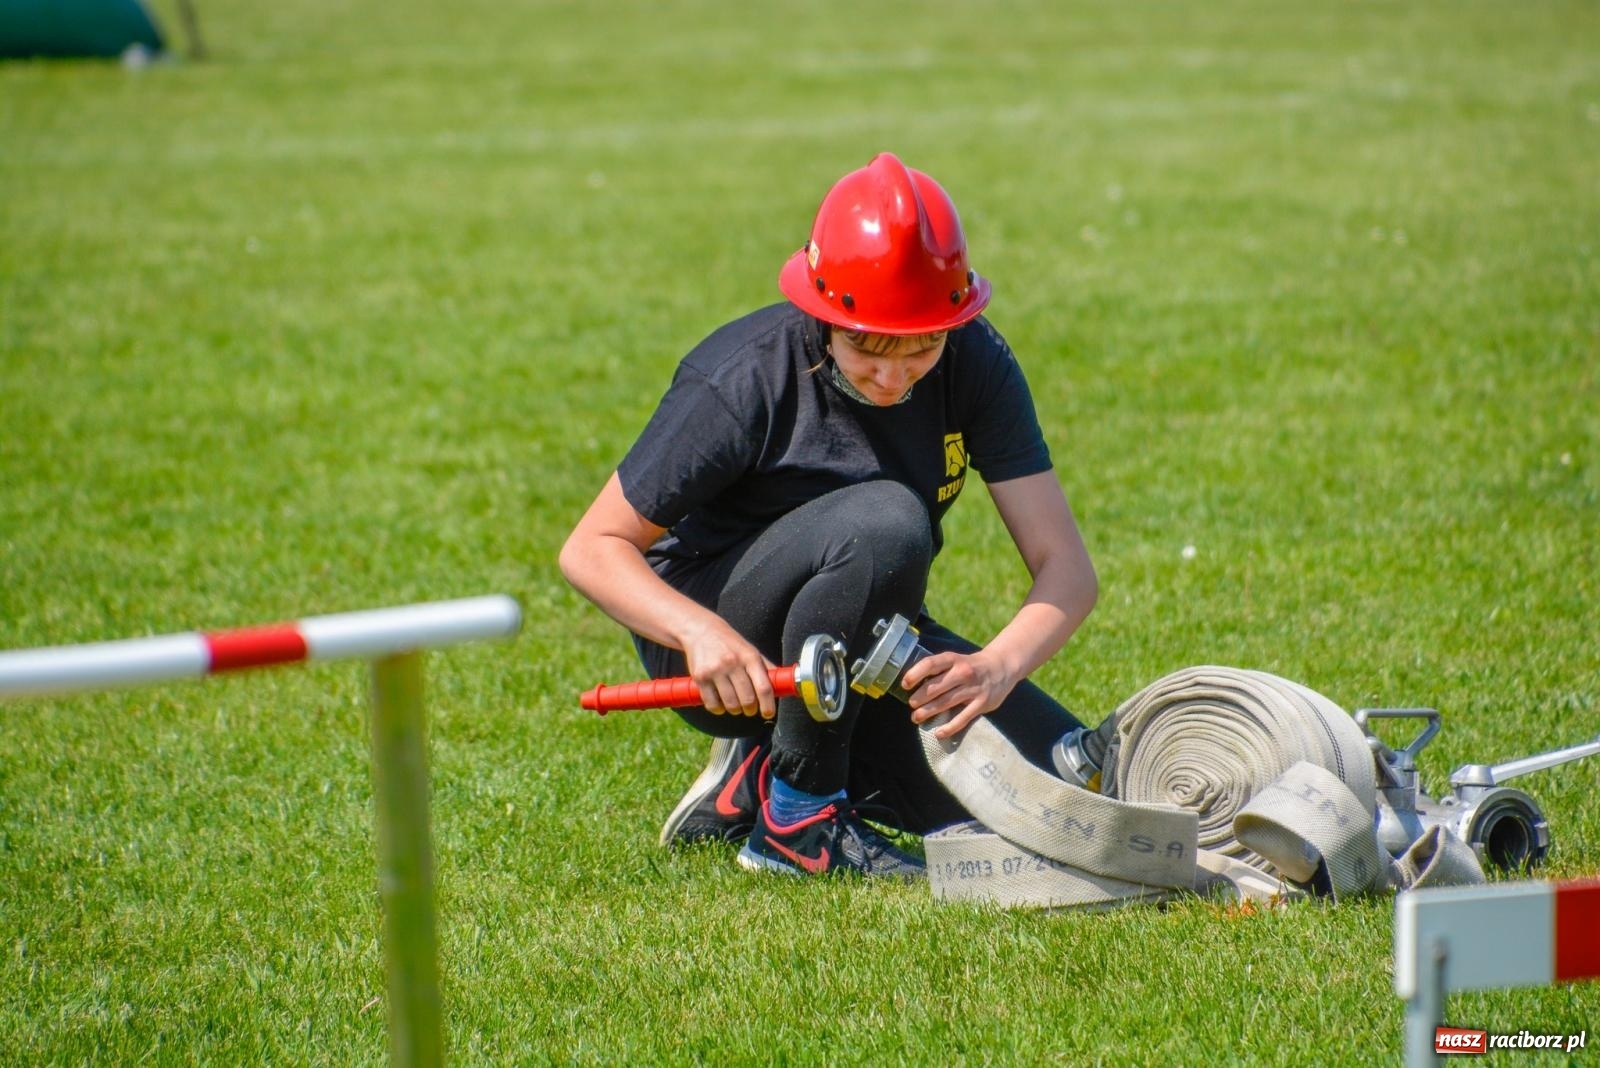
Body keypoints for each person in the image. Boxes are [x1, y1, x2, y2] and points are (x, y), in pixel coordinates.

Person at [559, 152, 1098, 878]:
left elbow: (1066, 569)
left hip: (857, 642)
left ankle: (754, 775)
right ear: (822, 312)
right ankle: (796, 821)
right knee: (887, 522)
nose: (893, 374)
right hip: (715, 644)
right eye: (867, 349)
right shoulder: (746, 373)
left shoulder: (977, 361)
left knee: (1059, 806)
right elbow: (591, 547)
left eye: (922, 348)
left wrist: (994, 668)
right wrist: (701, 633)